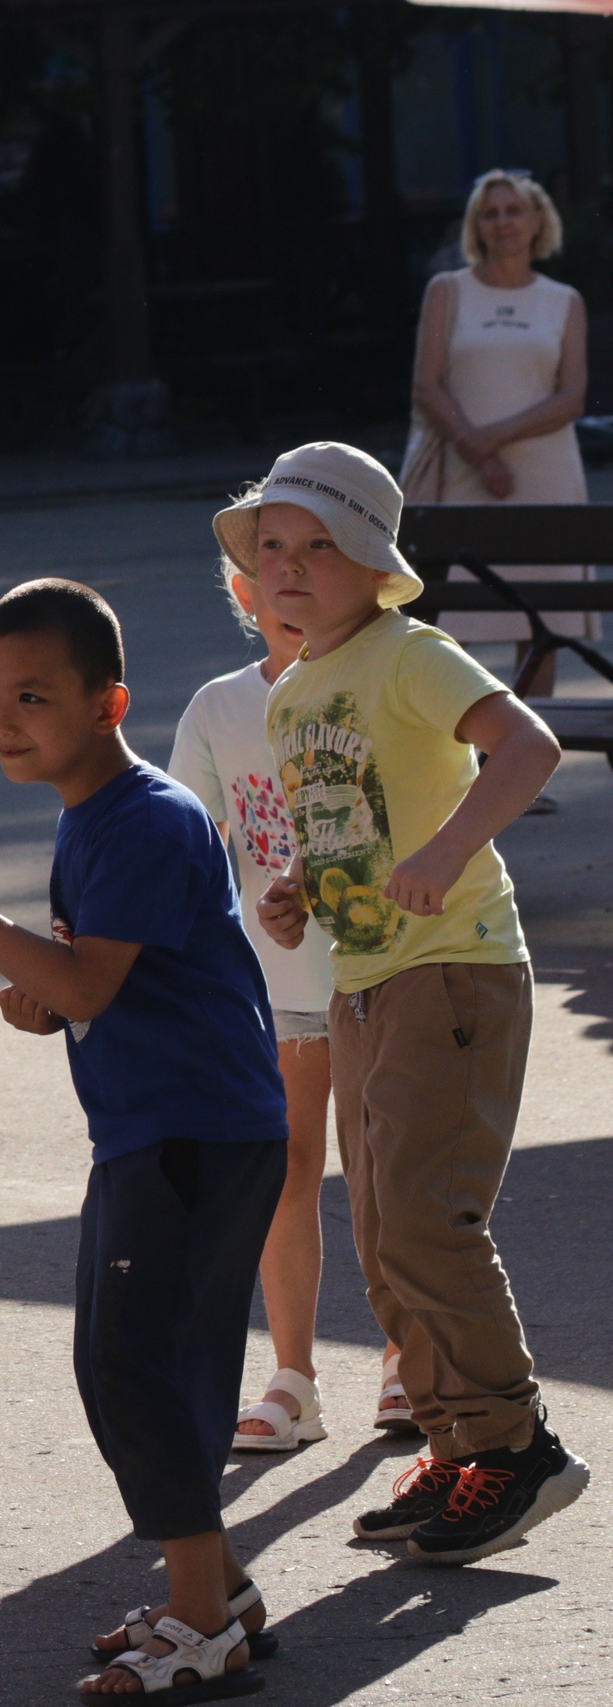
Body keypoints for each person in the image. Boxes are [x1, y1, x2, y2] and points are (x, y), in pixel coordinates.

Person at [0, 578, 287, 1696]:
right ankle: (220, 1589)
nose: (1, 719)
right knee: (124, 1361)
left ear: (108, 702)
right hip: (154, 1128)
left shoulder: (144, 815)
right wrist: (43, 993)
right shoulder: (93, 814)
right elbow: (88, 982)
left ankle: (198, 1623)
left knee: (139, 1365)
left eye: (32, 695)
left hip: (192, 1132)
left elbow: (83, 976)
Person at [230, 443, 589, 1566]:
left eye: (317, 546)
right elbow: (347, 822)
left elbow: (528, 746)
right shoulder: (293, 695)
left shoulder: (409, 654)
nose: (289, 567)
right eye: (271, 547)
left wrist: (446, 849)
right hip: (363, 981)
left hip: (453, 969)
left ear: (375, 567)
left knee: (432, 1224)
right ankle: (455, 1445)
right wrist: (299, 890)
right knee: (385, 1239)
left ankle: (516, 1447)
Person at [170, 548, 406, 1450]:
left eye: (320, 564)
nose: (294, 590)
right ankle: (293, 1377)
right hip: (274, 994)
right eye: (273, 572)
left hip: (384, 972)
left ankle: (404, 1357)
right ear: (243, 592)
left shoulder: (381, 683)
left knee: (390, 1175)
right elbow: (185, 840)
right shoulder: (219, 706)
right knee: (286, 1171)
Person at [404, 168, 593, 755]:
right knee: (450, 628)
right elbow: (427, 386)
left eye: (515, 211)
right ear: (476, 227)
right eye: (491, 213)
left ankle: (521, 766)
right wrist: (475, 451)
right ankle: (452, 768)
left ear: (538, 222)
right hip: (460, 475)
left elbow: (571, 396)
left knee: (541, 621)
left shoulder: (563, 301)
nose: (504, 222)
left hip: (546, 475)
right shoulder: (449, 291)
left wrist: (493, 440)